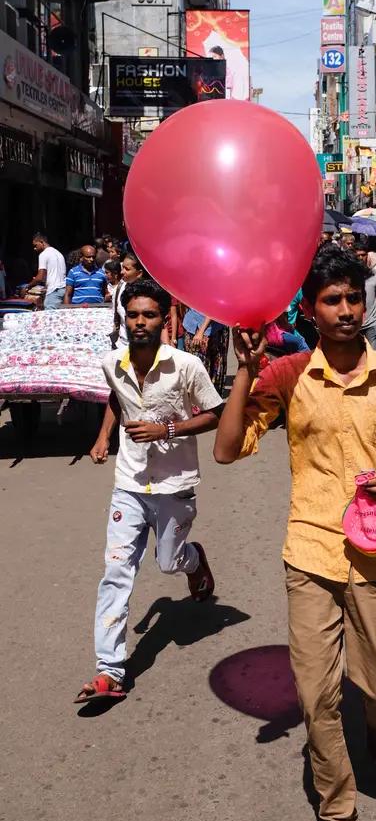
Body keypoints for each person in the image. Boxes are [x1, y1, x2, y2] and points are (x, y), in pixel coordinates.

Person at [213, 244, 376, 821]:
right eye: (332, 299)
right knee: (316, 696)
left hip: (375, 551)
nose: (347, 310)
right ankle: (338, 814)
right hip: (308, 550)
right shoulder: (289, 375)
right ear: (310, 309)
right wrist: (247, 372)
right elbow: (226, 450)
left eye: (355, 297)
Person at [74, 280, 223, 704]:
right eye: (134, 314)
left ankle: (193, 561)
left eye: (150, 315)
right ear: (125, 318)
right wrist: (104, 436)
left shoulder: (186, 366)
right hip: (130, 483)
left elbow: (215, 413)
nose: (141, 322)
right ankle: (111, 670)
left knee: (168, 562)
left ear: (164, 319)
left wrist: (167, 428)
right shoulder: (112, 362)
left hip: (175, 484)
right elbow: (117, 399)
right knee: (116, 573)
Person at [182, 308, 230, 394]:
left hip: (210, 330)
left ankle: (208, 399)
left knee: (207, 368)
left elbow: (212, 307)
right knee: (193, 367)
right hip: (192, 324)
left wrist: (201, 331)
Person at [354, 238, 376, 350]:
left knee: (374, 359)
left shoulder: (375, 275)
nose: (361, 258)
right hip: (354, 325)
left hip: (372, 324)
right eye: (358, 255)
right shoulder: (348, 277)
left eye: (364, 255)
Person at [111, 253, 145, 350]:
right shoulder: (119, 289)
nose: (122, 272)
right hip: (122, 346)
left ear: (139, 273)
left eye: (127, 269)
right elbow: (117, 317)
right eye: (122, 268)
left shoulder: (149, 294)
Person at [30, 233, 66, 310]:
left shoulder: (43, 254)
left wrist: (28, 286)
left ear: (42, 242)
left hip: (54, 291)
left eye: (35, 245)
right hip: (63, 289)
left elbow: (40, 277)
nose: (34, 248)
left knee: (50, 318)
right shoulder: (58, 253)